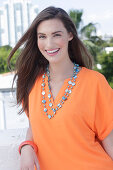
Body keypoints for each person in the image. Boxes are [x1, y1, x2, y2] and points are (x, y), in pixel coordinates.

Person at [8, 6, 113, 170]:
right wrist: (27, 146)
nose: (49, 44)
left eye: (56, 35)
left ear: (70, 34)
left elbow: (110, 140)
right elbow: (35, 125)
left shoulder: (95, 82)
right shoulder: (31, 83)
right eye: (42, 36)